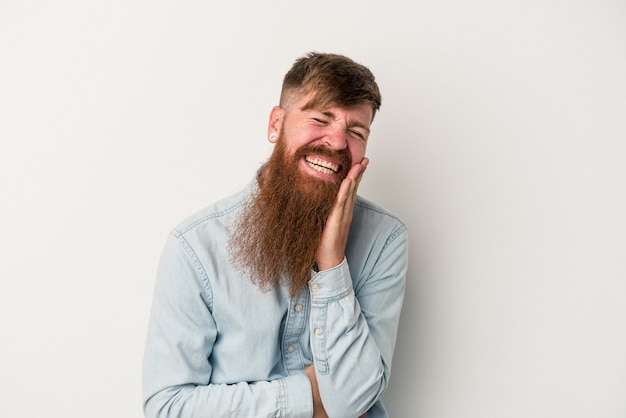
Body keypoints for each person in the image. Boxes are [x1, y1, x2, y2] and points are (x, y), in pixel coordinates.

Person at [142, 52, 408, 418]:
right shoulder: (195, 247)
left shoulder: (385, 239)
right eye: (320, 119)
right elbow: (168, 407)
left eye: (356, 131)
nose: (336, 142)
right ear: (276, 123)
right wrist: (309, 398)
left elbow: (354, 401)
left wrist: (332, 266)